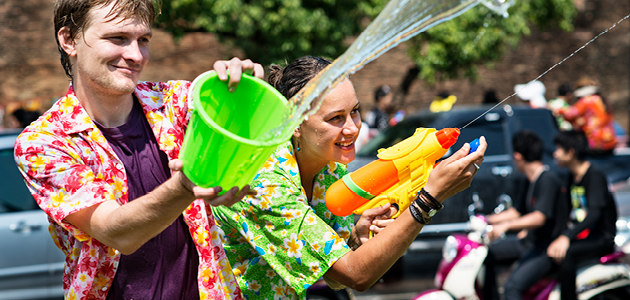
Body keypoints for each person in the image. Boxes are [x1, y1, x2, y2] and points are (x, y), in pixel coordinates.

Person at [13, 1, 261, 299]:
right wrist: (186, 186)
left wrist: (243, 94)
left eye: (143, 40)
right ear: (68, 40)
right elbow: (117, 233)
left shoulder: (176, 102)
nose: (135, 55)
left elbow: (242, 135)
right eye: (117, 39)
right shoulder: (44, 142)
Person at [212, 56, 487, 299]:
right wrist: (429, 199)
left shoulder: (330, 170)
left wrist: (355, 238)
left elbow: (333, 278)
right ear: (294, 124)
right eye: (335, 118)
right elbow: (355, 275)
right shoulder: (265, 180)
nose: (352, 129)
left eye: (354, 112)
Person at [482, 130, 570, 300]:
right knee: (487, 255)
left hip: (546, 248)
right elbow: (517, 211)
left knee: (512, 287)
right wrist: (486, 219)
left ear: (517, 156)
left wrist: (505, 226)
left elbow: (539, 217)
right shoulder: (529, 180)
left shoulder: (547, 179)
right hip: (529, 242)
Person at [547, 130, 617, 300]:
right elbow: (568, 210)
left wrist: (566, 237)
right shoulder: (573, 176)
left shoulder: (594, 175)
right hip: (586, 235)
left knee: (568, 253)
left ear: (571, 152)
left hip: (602, 238)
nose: (554, 153)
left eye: (558, 149)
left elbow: (594, 214)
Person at [557, 77, 617, 155]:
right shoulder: (602, 99)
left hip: (596, 143)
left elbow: (570, 114)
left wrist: (557, 110)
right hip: (609, 140)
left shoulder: (587, 100)